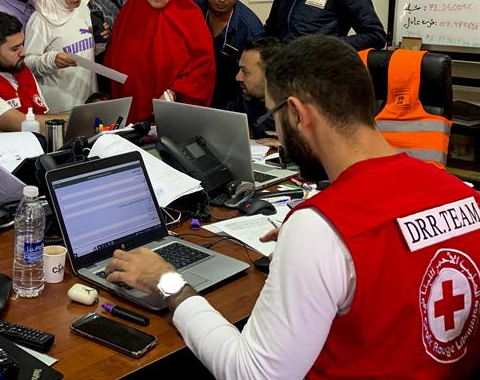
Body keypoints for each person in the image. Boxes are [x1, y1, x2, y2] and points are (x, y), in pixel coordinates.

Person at [105, 36, 480, 379]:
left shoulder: (322, 228)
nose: (279, 134)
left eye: (274, 117)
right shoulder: (465, 195)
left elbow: (252, 373)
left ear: (298, 114)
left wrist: (171, 285)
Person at [105, 0, 215, 122]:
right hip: (132, 110)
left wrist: (175, 91)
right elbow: (113, 62)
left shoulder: (191, 18)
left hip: (174, 112)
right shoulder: (128, 16)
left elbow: (204, 68)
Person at [24, 0, 97, 111]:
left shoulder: (83, 9)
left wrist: (100, 41)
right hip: (58, 104)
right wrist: (52, 60)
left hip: (87, 97)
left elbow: (89, 51)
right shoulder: (40, 19)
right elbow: (26, 63)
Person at [192, 0, 264, 108]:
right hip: (192, 98)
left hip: (230, 106)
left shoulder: (251, 29)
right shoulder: (193, 9)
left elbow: (255, 85)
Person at [226, 36, 282, 140]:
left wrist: (289, 147)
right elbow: (224, 121)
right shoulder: (247, 97)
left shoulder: (295, 111)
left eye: (245, 71)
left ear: (269, 74)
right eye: (239, 70)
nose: (238, 77)